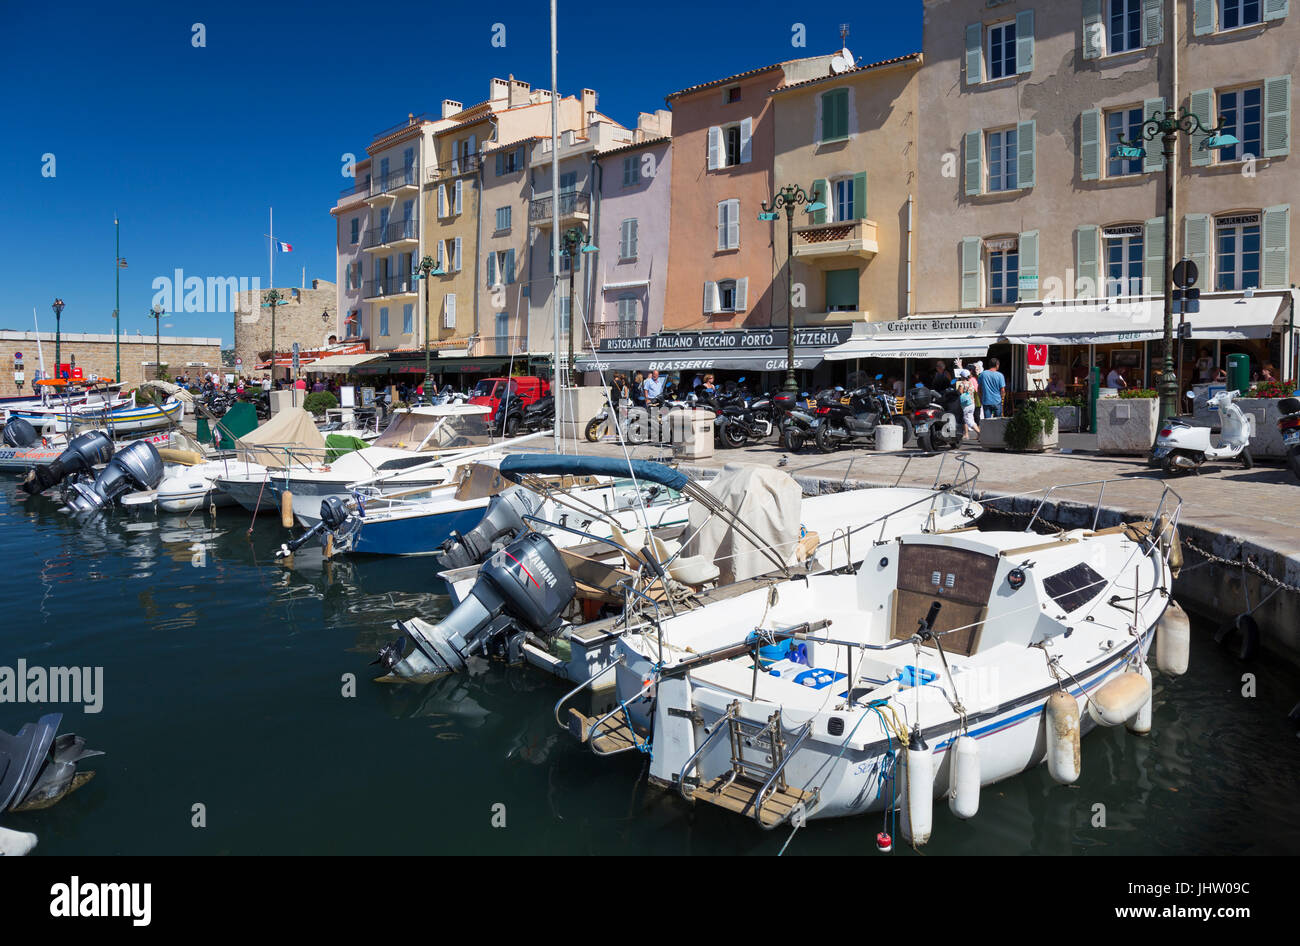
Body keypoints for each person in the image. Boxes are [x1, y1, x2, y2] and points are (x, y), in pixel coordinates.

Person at [956, 368, 979, 437]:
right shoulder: (971, 383)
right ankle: (969, 434)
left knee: (967, 420)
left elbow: (960, 393)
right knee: (970, 419)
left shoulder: (962, 384)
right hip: (972, 403)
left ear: (963, 376)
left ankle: (979, 433)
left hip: (966, 405)